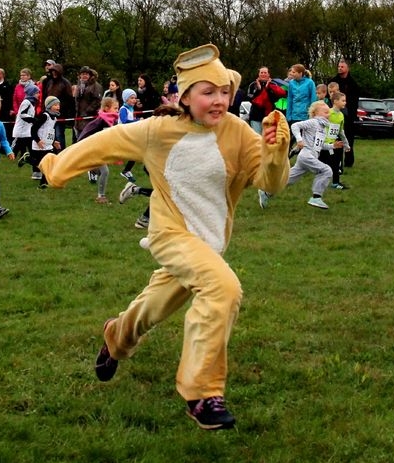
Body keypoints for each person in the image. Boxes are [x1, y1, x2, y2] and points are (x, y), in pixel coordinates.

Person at [39, 43, 290, 431]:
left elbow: (269, 184)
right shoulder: (157, 131)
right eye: (208, 92)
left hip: (208, 246)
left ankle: (116, 337)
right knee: (222, 289)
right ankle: (202, 391)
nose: (219, 100)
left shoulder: (238, 132)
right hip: (170, 235)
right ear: (185, 97)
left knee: (151, 309)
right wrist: (56, 167)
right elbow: (103, 143)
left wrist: (275, 152)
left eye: (225, 91)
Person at [259, 100, 335, 210]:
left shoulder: (322, 127)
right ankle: (316, 197)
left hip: (307, 158)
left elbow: (319, 145)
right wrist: (299, 140)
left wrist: (333, 146)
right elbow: (295, 126)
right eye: (325, 112)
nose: (328, 115)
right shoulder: (313, 122)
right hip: (306, 156)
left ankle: (266, 192)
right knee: (326, 170)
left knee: (288, 180)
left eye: (329, 112)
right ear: (315, 113)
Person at [76, 96, 119, 203]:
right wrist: (80, 145)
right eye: (115, 108)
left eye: (117, 108)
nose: (117, 110)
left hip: (100, 149)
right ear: (106, 108)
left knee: (102, 171)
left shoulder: (112, 121)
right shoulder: (100, 121)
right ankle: (101, 196)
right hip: (93, 149)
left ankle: (92, 170)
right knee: (105, 171)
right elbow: (86, 132)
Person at [328, 59, 360, 168]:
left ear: (347, 68)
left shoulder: (353, 83)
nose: (339, 68)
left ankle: (349, 161)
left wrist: (352, 114)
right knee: (335, 138)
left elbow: (355, 101)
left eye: (342, 67)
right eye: (339, 66)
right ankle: (335, 161)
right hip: (334, 115)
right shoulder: (333, 81)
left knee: (348, 139)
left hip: (348, 116)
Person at [28, 95, 63, 189]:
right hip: (39, 145)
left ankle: (43, 183)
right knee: (42, 165)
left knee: (49, 163)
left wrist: (54, 141)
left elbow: (50, 131)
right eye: (55, 105)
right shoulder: (44, 116)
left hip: (48, 145)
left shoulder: (54, 118)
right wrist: (38, 140)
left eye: (58, 105)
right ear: (49, 106)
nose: (58, 107)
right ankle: (28, 158)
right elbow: (33, 129)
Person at [319, 92, 350, 190]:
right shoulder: (328, 112)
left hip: (334, 144)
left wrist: (346, 144)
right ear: (335, 101)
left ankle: (335, 183)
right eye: (343, 100)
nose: (345, 102)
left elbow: (341, 131)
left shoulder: (341, 115)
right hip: (324, 143)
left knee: (335, 163)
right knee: (328, 164)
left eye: (345, 100)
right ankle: (327, 182)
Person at [41, 62, 74, 148]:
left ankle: (61, 152)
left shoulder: (65, 83)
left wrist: (68, 113)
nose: (54, 73)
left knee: (59, 135)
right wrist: (43, 109)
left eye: (56, 71)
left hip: (60, 113)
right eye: (53, 71)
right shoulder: (49, 82)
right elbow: (45, 97)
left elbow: (70, 100)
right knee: (50, 135)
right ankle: (52, 151)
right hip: (48, 113)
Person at [245, 67, 287, 134]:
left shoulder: (273, 84)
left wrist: (268, 89)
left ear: (268, 74)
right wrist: (258, 90)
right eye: (261, 72)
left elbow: (276, 99)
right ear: (258, 74)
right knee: (257, 137)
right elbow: (250, 99)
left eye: (265, 73)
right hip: (255, 116)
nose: (263, 74)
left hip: (269, 116)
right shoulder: (253, 85)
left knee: (268, 137)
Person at [12, 82, 40, 175]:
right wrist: (34, 120)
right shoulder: (26, 102)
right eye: (37, 93)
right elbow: (22, 114)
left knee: (33, 152)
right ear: (32, 93)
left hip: (28, 132)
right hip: (20, 132)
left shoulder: (32, 103)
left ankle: (36, 172)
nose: (38, 95)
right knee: (11, 153)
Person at [74, 66, 103, 140]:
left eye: (86, 74)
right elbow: (77, 100)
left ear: (90, 75)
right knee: (79, 139)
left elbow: (97, 101)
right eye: (83, 74)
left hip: (90, 118)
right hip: (79, 118)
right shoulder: (79, 85)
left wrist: (88, 111)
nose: (84, 76)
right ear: (80, 75)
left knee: (88, 139)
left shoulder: (96, 86)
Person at [286, 64, 316, 135]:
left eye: (294, 72)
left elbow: (313, 100)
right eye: (291, 72)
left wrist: (311, 115)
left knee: (305, 138)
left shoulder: (310, 82)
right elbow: (290, 99)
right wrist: (288, 116)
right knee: (295, 138)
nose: (291, 74)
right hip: (294, 116)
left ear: (300, 73)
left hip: (306, 116)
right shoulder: (291, 83)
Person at [118, 88, 141, 183]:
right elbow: (124, 121)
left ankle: (126, 170)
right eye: (132, 98)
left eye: (135, 98)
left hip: (128, 133)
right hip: (122, 134)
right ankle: (126, 171)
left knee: (136, 152)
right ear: (126, 99)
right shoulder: (123, 109)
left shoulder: (130, 109)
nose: (134, 100)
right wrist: (138, 121)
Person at [0, 68, 15, 135]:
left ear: (1, 74)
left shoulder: (8, 85)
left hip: (5, 111)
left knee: (6, 129)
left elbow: (11, 98)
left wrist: (11, 109)